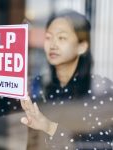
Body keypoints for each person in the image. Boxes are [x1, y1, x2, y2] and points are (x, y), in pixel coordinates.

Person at [20, 10, 113, 150]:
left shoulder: (102, 92)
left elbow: (100, 146)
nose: (52, 45)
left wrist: (49, 127)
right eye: (48, 37)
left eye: (61, 38)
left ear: (82, 46)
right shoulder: (40, 84)